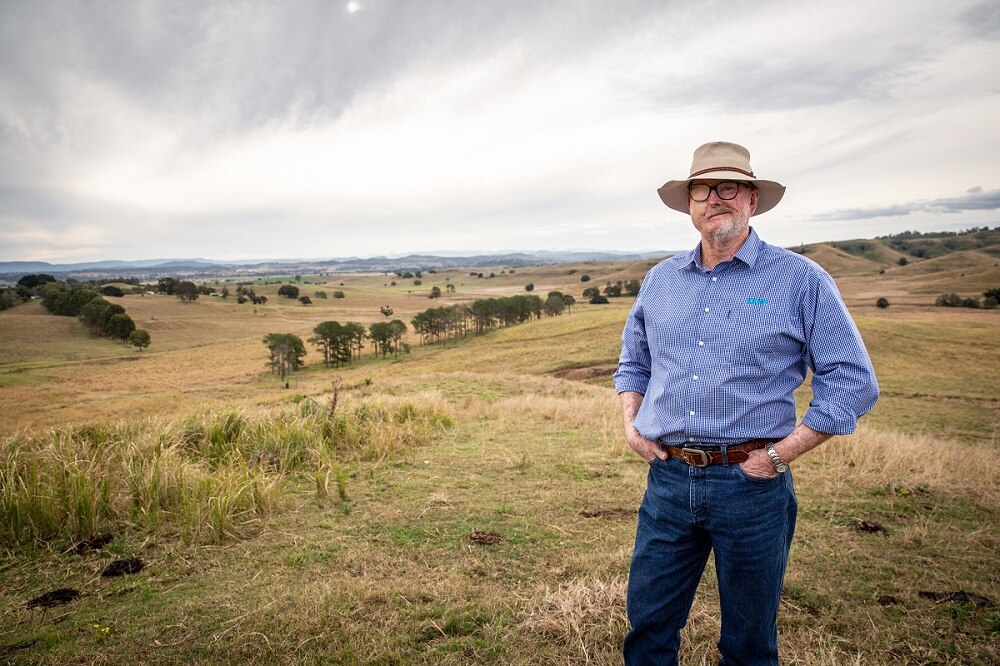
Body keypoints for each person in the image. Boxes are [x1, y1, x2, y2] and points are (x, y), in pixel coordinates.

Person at [613, 141, 879, 665]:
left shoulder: (801, 281)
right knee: (648, 627)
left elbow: (852, 380)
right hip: (668, 479)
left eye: (728, 187)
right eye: (702, 190)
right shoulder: (660, 282)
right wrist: (631, 425)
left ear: (752, 200)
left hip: (752, 485)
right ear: (689, 205)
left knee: (749, 643)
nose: (715, 199)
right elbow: (634, 362)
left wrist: (781, 455)